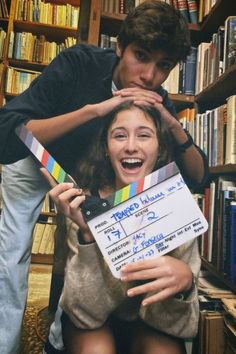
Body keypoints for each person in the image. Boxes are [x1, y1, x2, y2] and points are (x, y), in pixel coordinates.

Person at [0, 1, 208, 353]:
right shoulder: (78, 62)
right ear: (118, 48)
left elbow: (198, 177)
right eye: (140, 56)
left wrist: (171, 122)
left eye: (163, 67)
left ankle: (62, 327)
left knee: (87, 240)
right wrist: (95, 111)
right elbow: (8, 135)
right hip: (37, 157)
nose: (149, 76)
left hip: (88, 173)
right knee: (10, 254)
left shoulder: (154, 98)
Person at [41, 101, 205, 354]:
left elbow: (183, 328)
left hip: (151, 321)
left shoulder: (176, 205)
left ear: (159, 147)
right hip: (91, 321)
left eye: (144, 135)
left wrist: (186, 285)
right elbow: (85, 316)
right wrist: (87, 235)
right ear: (106, 148)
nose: (130, 146)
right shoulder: (82, 205)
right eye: (119, 135)